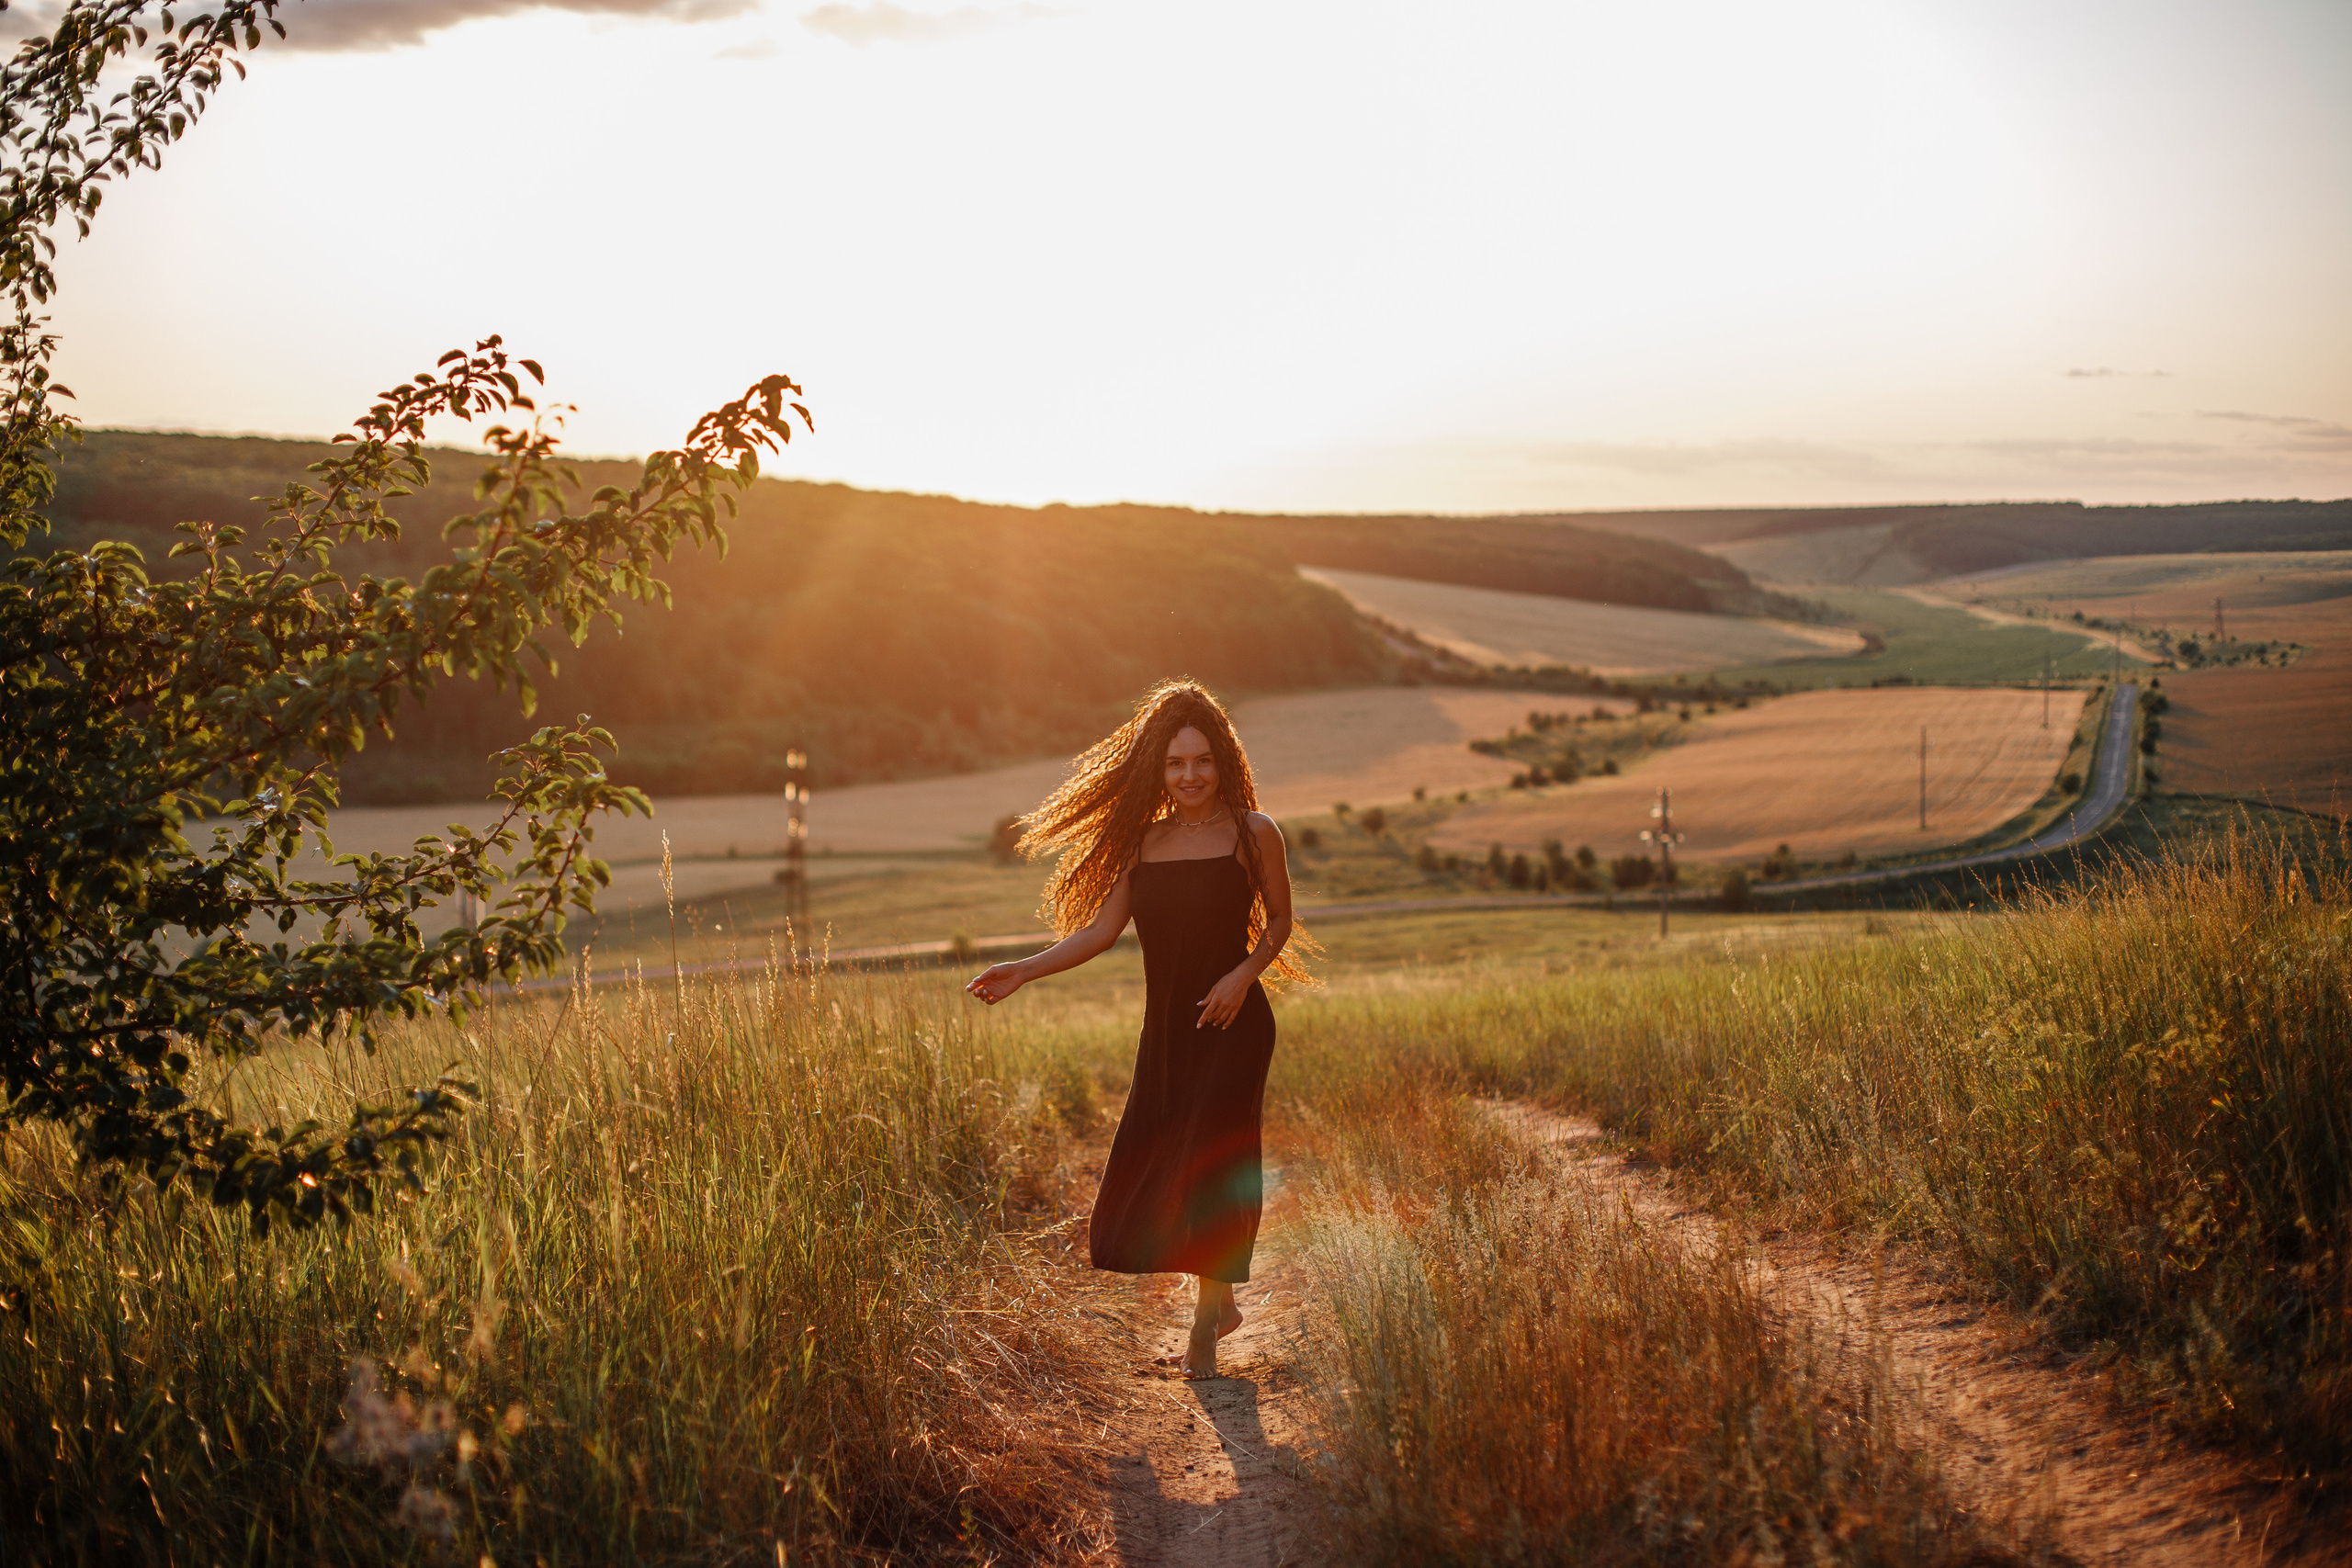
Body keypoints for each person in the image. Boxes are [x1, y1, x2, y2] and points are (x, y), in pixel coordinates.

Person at [965, 679, 1305, 1380]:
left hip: (1237, 1024)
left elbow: (1277, 922)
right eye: (1177, 763)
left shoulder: (1254, 832)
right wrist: (1024, 969)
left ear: (1224, 760)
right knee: (1163, 1158)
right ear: (1159, 767)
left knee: (1218, 1158)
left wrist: (1243, 975)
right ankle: (1221, 1295)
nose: (1190, 776)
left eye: (1203, 761)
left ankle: (1204, 1332)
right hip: (1170, 1031)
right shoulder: (1141, 845)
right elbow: (1097, 932)